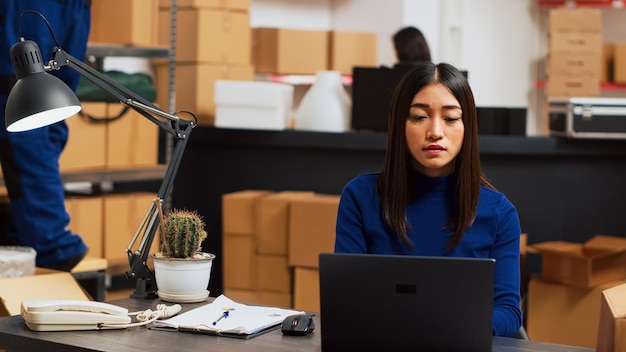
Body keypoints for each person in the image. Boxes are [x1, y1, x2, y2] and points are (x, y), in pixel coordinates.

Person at [334, 62, 522, 337]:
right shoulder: (361, 197)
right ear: (400, 124)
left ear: (467, 126)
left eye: (450, 118)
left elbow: (508, 310)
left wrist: (456, 331)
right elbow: (345, 299)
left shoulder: (499, 213)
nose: (435, 131)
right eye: (420, 117)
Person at [0, 0, 91, 271]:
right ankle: (24, 231)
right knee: (45, 104)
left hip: (30, 6)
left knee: (31, 107)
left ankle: (49, 242)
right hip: (68, 8)